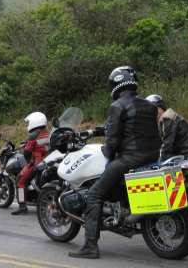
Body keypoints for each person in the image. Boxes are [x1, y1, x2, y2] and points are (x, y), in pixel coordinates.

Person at [69, 66, 161, 259]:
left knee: (94, 194)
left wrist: (106, 151)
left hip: (130, 159)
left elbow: (112, 140)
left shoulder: (118, 106)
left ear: (116, 84)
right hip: (152, 158)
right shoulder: (150, 106)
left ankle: (90, 246)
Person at [11, 112, 49, 215]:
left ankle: (22, 206)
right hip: (48, 160)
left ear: (34, 122)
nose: (28, 125)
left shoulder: (33, 135)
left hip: (37, 163)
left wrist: (28, 162)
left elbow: (27, 152)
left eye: (29, 123)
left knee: (20, 181)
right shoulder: (47, 133)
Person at [145, 94, 188, 161]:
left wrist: (159, 161)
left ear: (159, 108)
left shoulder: (167, 118)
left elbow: (167, 145)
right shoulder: (166, 119)